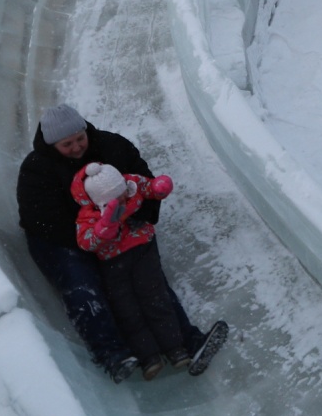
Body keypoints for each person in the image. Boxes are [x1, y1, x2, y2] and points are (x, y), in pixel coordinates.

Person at [17, 105, 226, 381]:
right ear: (52, 144)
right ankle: (113, 353)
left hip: (116, 227)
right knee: (85, 285)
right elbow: (41, 220)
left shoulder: (110, 146)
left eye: (80, 139)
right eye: (67, 144)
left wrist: (136, 216)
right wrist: (93, 240)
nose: (77, 147)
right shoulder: (37, 170)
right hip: (61, 238)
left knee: (147, 279)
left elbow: (143, 182)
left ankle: (187, 341)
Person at [72, 161, 226, 379]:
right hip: (113, 262)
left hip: (143, 250)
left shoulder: (130, 184)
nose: (125, 198)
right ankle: (148, 356)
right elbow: (86, 241)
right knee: (127, 309)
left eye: (123, 193)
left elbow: (147, 186)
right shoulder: (88, 215)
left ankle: (175, 348)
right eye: (117, 198)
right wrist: (105, 227)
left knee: (155, 298)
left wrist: (159, 187)